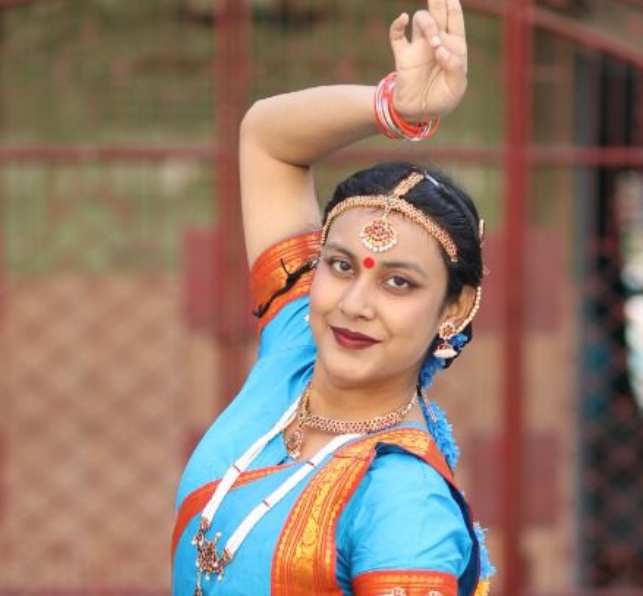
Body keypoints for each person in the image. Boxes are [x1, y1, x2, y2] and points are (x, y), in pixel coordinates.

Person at [171, 1, 494, 594]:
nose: (354, 304)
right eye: (340, 266)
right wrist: (396, 107)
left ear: (454, 307)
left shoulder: (404, 502)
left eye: (399, 282)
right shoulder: (296, 345)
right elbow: (266, 137)